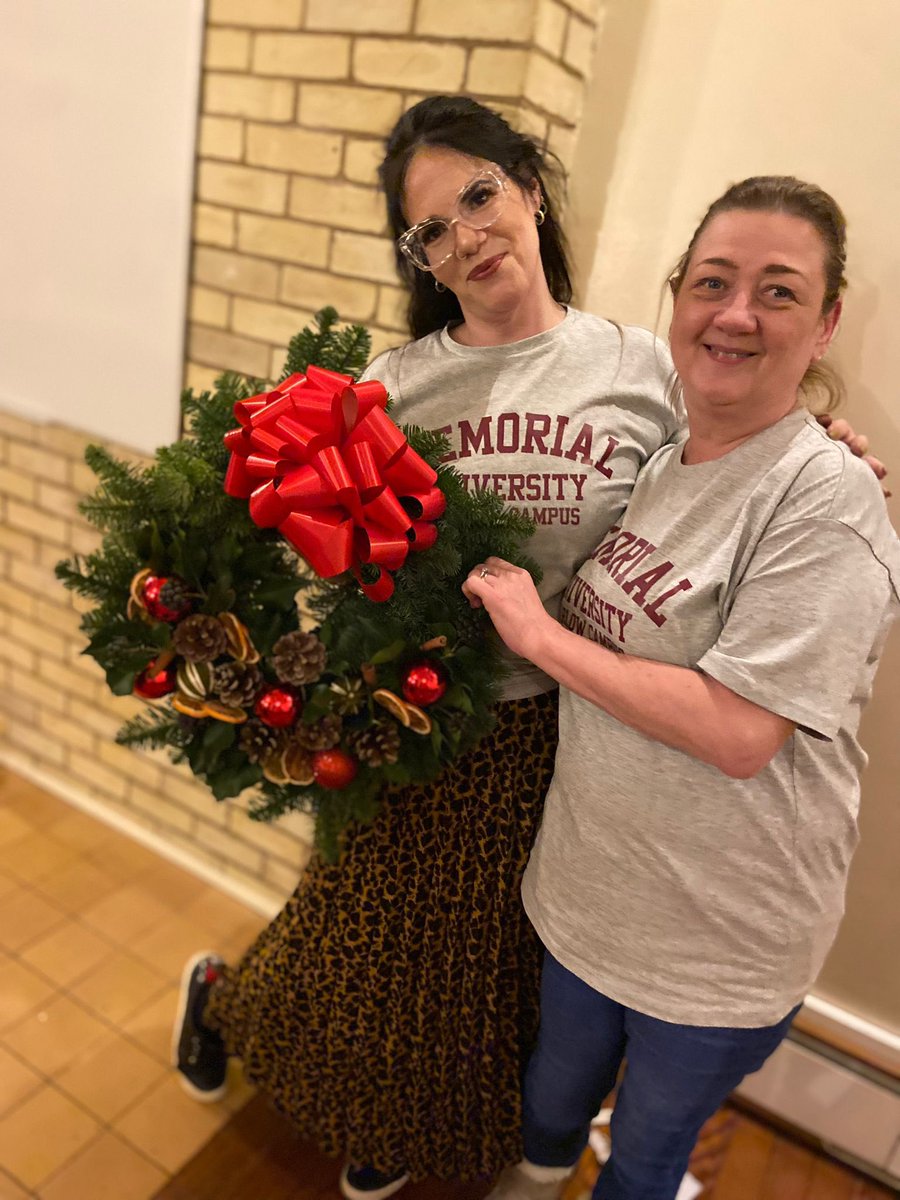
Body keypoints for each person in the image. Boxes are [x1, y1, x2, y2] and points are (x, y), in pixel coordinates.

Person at [171, 98, 874, 1196]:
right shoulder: (397, 384)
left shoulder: (643, 367)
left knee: (489, 982)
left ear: (531, 192)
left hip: (569, 739)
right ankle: (249, 1022)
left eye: (480, 195)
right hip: (416, 720)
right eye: (431, 230)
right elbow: (336, 554)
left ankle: (433, 1128)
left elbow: (724, 464)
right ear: (419, 258)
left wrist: (826, 448)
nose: (466, 237)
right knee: (361, 939)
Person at [463, 176, 899, 1200]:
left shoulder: (824, 499)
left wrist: (538, 636)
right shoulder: (664, 461)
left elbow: (741, 734)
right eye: (713, 282)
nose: (736, 313)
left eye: (779, 291)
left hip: (714, 949)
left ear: (827, 322)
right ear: (678, 299)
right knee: (550, 1105)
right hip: (586, 900)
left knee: (646, 1159)